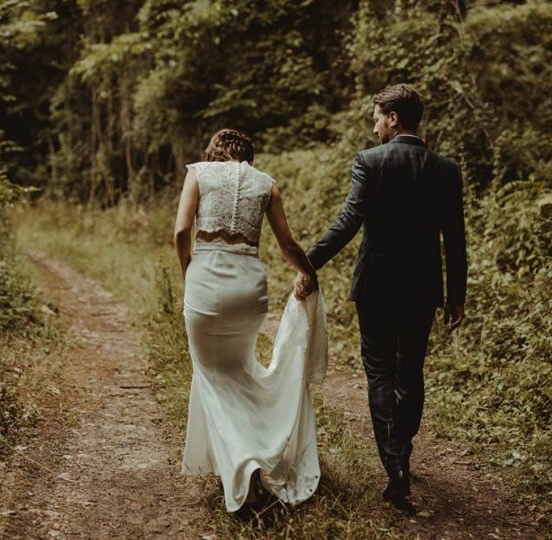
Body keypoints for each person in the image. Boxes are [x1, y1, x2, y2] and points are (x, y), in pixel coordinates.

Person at [297, 83, 468, 510]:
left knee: (379, 373)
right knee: (410, 372)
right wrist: (456, 296)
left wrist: (308, 262)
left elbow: (349, 220)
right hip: (423, 288)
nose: (374, 125)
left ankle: (395, 469)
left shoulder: (370, 162)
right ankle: (401, 454)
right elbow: (455, 240)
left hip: (376, 286)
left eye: (376, 116)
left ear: (393, 118)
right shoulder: (445, 168)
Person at [174, 128, 328, 512]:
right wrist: (309, 274)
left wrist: (188, 273)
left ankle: (244, 468)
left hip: (206, 280)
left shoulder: (198, 172)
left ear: (216, 152)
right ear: (248, 156)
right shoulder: (266, 185)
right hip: (249, 286)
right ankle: (255, 450)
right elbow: (288, 245)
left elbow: (180, 231)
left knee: (212, 376)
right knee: (238, 369)